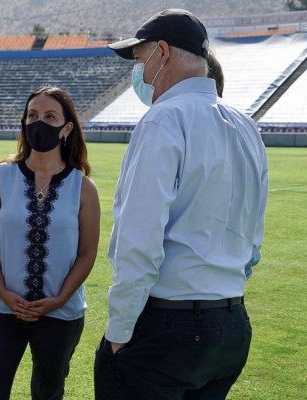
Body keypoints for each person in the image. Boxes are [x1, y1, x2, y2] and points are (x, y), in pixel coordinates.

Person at [94, 8, 268, 400]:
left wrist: (120, 333)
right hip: (230, 323)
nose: (138, 71)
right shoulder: (245, 126)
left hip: (168, 324)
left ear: (162, 53)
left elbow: (138, 242)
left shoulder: (163, 120)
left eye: (140, 59)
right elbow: (254, 239)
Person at [0, 86, 101, 400]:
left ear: (67, 128)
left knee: (48, 392)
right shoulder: (0, 177)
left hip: (60, 314)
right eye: (32, 115)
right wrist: (4, 293)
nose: (39, 123)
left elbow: (87, 254)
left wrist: (59, 299)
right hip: (2, 310)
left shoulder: (83, 187)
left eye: (50, 117)